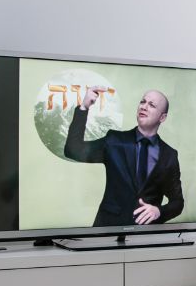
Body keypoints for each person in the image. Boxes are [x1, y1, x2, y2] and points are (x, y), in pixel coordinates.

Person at [64, 88, 184, 227]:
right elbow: (73, 150)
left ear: (162, 117)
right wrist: (84, 107)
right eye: (142, 102)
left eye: (152, 105)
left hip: (146, 236)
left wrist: (159, 211)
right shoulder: (114, 141)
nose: (144, 106)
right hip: (107, 231)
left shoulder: (169, 155)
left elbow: (178, 203)